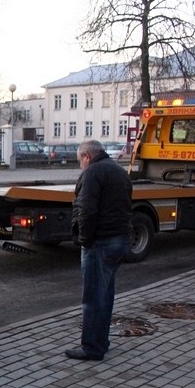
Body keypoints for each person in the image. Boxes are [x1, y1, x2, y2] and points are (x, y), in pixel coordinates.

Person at [66, 139, 133, 361]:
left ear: (87, 156)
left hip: (100, 243)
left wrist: (84, 240)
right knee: (106, 295)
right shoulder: (119, 171)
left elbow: (86, 210)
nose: (81, 166)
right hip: (120, 240)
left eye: (80, 162)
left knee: (93, 298)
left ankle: (92, 348)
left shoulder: (93, 173)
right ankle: (101, 341)